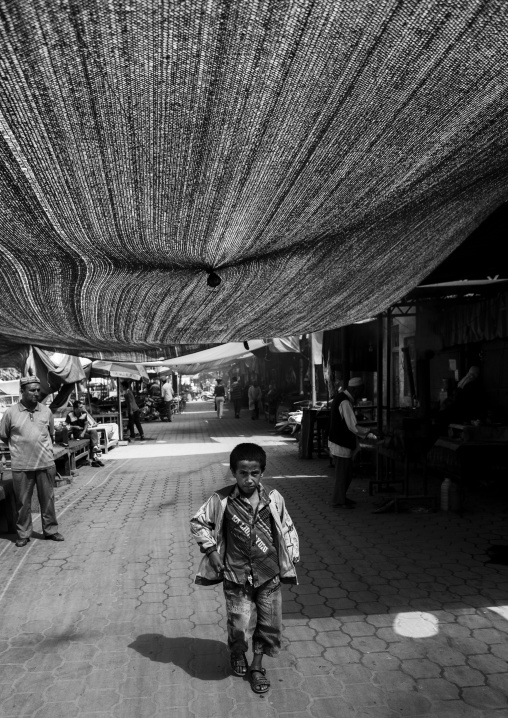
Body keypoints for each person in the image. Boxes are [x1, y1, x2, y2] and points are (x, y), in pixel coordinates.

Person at [190, 443, 299, 694]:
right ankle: (238, 653)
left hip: (268, 574)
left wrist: (292, 555)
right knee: (239, 622)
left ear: (262, 472)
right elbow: (198, 522)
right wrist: (211, 551)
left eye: (255, 473)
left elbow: (286, 527)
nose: (249, 479)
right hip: (235, 575)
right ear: (233, 472)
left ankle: (257, 666)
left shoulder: (273, 498)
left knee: (269, 623)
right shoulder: (221, 499)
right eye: (243, 473)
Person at [0, 376, 64, 547]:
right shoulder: (10, 413)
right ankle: (23, 533)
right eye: (32, 390)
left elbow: (50, 434)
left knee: (48, 499)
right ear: (22, 391)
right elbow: (4, 435)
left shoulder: (46, 411)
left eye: (38, 390)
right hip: (21, 465)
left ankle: (50, 530)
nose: (37, 393)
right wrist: (19, 448)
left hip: (45, 463)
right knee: (22, 502)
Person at [328, 377, 377, 509]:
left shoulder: (342, 398)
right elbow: (352, 426)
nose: (361, 394)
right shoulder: (345, 402)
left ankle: (341, 497)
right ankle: (338, 500)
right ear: (355, 390)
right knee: (343, 474)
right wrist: (368, 432)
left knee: (346, 473)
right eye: (360, 390)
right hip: (341, 443)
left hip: (339, 442)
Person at [64, 400, 103, 467]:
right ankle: (94, 459)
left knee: (93, 432)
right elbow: (66, 426)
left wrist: (83, 432)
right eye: (80, 407)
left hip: (84, 431)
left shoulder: (84, 413)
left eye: (82, 407)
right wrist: (74, 426)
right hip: (77, 433)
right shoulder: (69, 415)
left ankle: (94, 449)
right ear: (75, 408)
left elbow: (86, 424)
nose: (82, 408)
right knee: (92, 438)